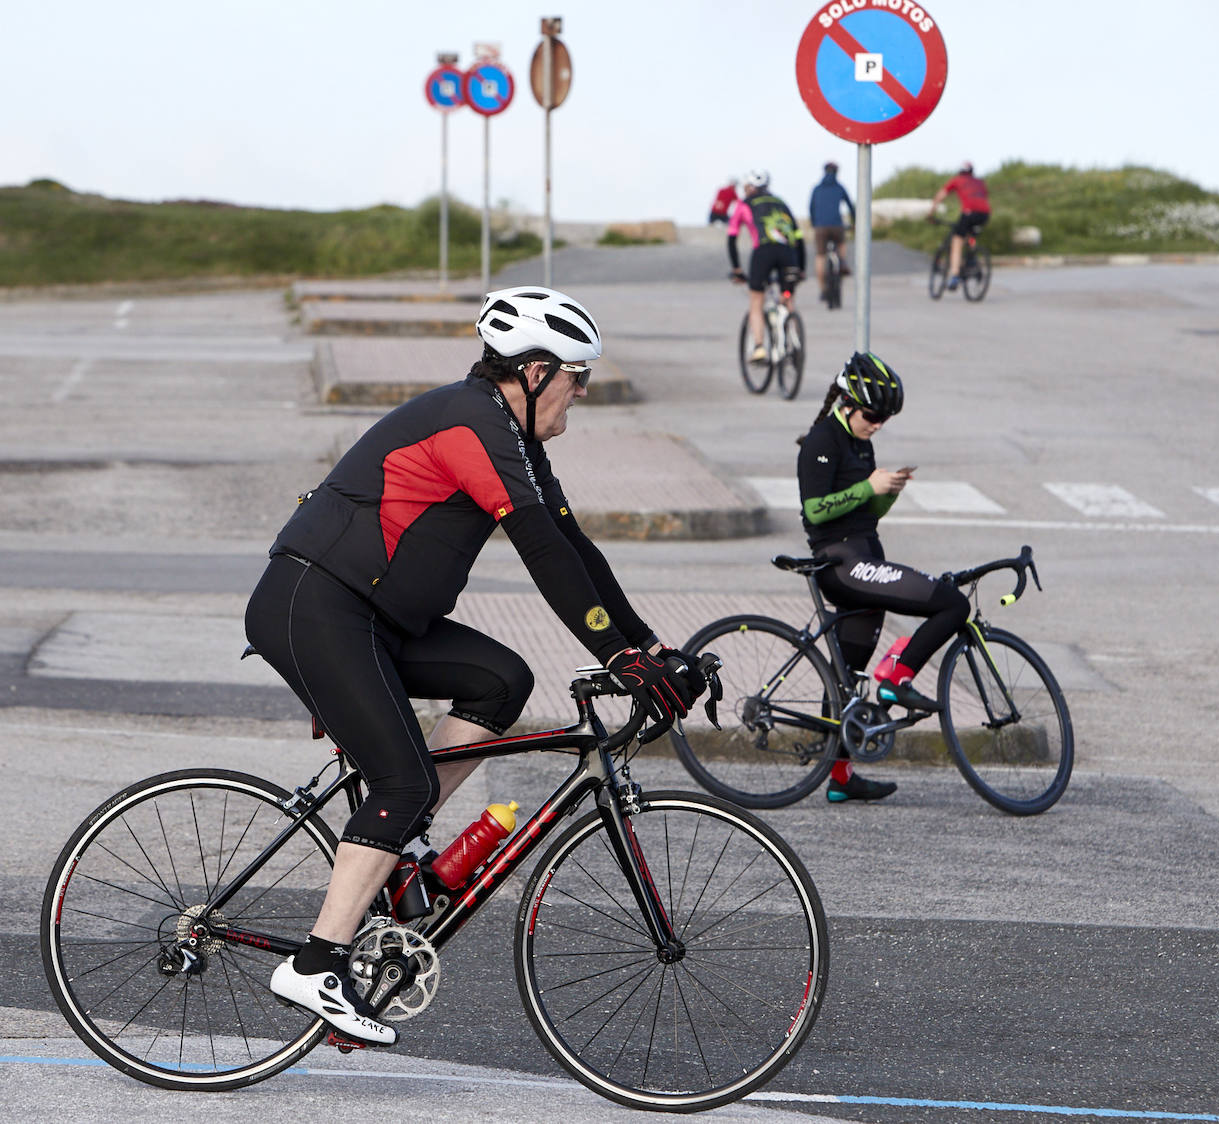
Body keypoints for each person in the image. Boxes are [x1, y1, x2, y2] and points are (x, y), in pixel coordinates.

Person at [245, 285, 707, 1045]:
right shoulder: (470, 423)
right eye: (575, 376)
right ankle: (317, 962)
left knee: (501, 681)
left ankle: (399, 845)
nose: (581, 392)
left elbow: (576, 550)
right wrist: (614, 653)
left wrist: (647, 648)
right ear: (531, 372)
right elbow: (542, 554)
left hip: (377, 617)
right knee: (403, 779)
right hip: (316, 606)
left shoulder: (513, 437)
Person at [795, 352, 971, 803]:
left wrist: (887, 494)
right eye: (873, 415)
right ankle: (897, 677)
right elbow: (814, 510)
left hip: (863, 555)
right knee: (952, 603)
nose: (877, 424)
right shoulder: (822, 439)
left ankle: (839, 778)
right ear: (848, 402)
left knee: (847, 678)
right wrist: (867, 487)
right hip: (842, 565)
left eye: (885, 419)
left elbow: (865, 515)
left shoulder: (858, 440)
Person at [727, 169, 806, 365]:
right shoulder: (781, 203)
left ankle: (760, 347)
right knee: (787, 297)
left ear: (749, 187)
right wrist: (801, 268)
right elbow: (798, 237)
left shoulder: (744, 204)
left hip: (763, 253)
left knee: (756, 299)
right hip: (789, 255)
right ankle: (792, 338)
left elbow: (732, 237)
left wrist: (737, 269)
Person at [929, 160, 991, 290]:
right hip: (985, 214)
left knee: (957, 241)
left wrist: (931, 213)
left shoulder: (957, 180)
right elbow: (983, 197)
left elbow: (940, 196)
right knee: (969, 236)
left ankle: (955, 275)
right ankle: (971, 259)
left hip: (969, 213)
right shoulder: (979, 182)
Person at [808, 160, 854, 281]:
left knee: (820, 256)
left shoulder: (817, 189)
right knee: (841, 243)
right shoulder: (839, 188)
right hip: (836, 225)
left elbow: (811, 207)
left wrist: (814, 223)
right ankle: (843, 263)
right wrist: (854, 222)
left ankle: (823, 289)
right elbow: (850, 206)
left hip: (820, 227)